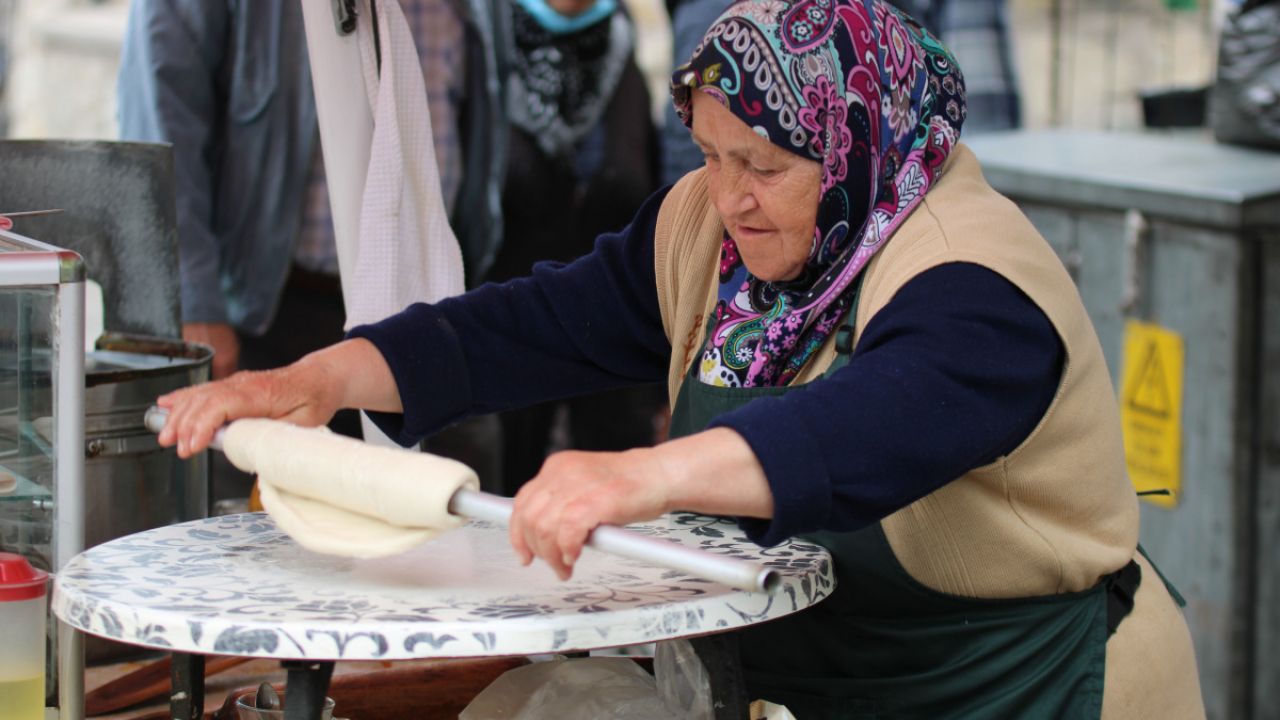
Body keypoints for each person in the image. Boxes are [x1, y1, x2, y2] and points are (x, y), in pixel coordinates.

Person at [156, 0, 1205, 716]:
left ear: (857, 150)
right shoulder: (711, 234)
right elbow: (528, 326)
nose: (729, 194)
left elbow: (862, 427)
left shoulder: (976, 281)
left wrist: (639, 476)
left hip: (1022, 690)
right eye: (707, 156)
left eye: (765, 164)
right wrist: (322, 378)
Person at [118, 0, 508, 493]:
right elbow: (161, 121)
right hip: (270, 309)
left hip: (432, 298)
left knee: (445, 516)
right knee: (267, 527)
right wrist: (195, 304)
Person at [485, 0, 666, 494]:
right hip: (505, 341)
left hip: (616, 349)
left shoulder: (620, 45)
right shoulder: (488, 44)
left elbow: (648, 199)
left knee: (619, 535)